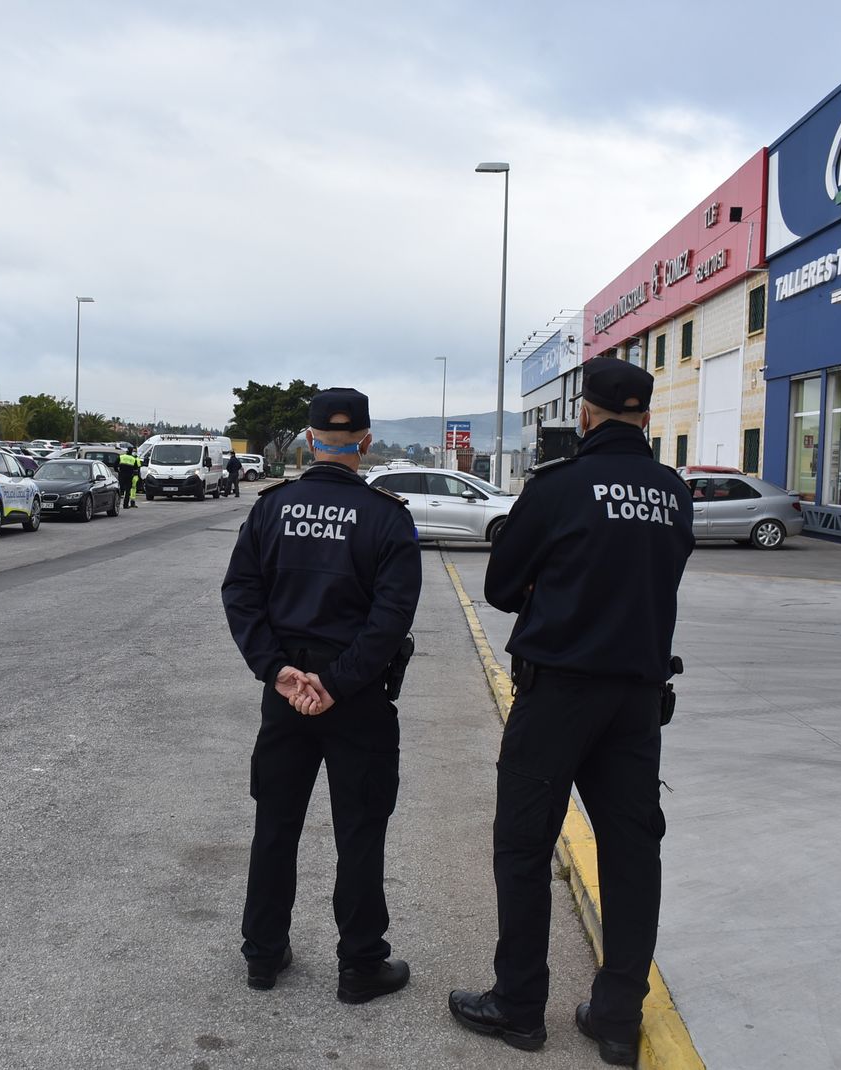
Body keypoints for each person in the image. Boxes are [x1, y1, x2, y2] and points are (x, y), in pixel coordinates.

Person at [447, 358, 694, 1065]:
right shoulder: (673, 494)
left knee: (524, 845)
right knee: (632, 853)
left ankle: (520, 1006)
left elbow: (499, 585)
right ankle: (617, 1019)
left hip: (558, 692)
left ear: (584, 414)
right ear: (645, 415)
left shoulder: (559, 487)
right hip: (637, 703)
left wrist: (553, 593)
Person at [221, 387, 422, 1005]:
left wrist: (278, 670)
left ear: (309, 441)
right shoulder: (388, 516)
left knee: (275, 824)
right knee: (360, 831)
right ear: (365, 442)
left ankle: (263, 954)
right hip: (355, 696)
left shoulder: (272, 508)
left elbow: (241, 594)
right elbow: (390, 619)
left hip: (287, 694)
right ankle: (360, 965)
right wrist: (334, 684)